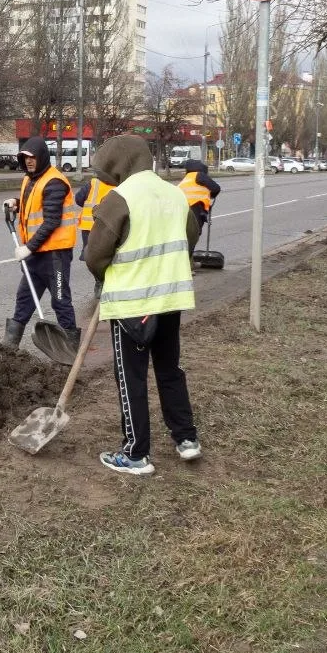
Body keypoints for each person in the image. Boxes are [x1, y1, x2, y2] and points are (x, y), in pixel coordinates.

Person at [83, 134, 202, 476]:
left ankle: (135, 454)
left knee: (131, 377)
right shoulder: (174, 194)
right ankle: (186, 439)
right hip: (169, 300)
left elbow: (95, 256)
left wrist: (107, 273)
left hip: (132, 306)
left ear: (120, 165)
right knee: (169, 370)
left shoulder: (120, 199)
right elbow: (189, 237)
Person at [2, 136, 79, 350]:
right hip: (36, 255)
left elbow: (52, 220)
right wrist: (16, 203)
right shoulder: (30, 179)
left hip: (55, 255)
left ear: (42, 157)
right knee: (25, 298)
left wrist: (28, 248)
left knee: (60, 300)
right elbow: (34, 205)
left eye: (32, 157)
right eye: (25, 158)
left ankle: (71, 350)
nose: (28, 161)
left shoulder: (54, 182)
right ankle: (9, 346)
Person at [178, 159, 221, 230]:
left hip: (182, 209)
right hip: (194, 208)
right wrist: (212, 196)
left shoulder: (186, 179)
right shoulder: (199, 175)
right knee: (195, 231)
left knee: (185, 232)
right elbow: (216, 188)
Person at [75, 174, 113, 255]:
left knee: (89, 251)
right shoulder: (119, 185)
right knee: (105, 252)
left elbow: (78, 199)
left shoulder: (93, 183)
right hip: (107, 226)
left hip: (88, 226)